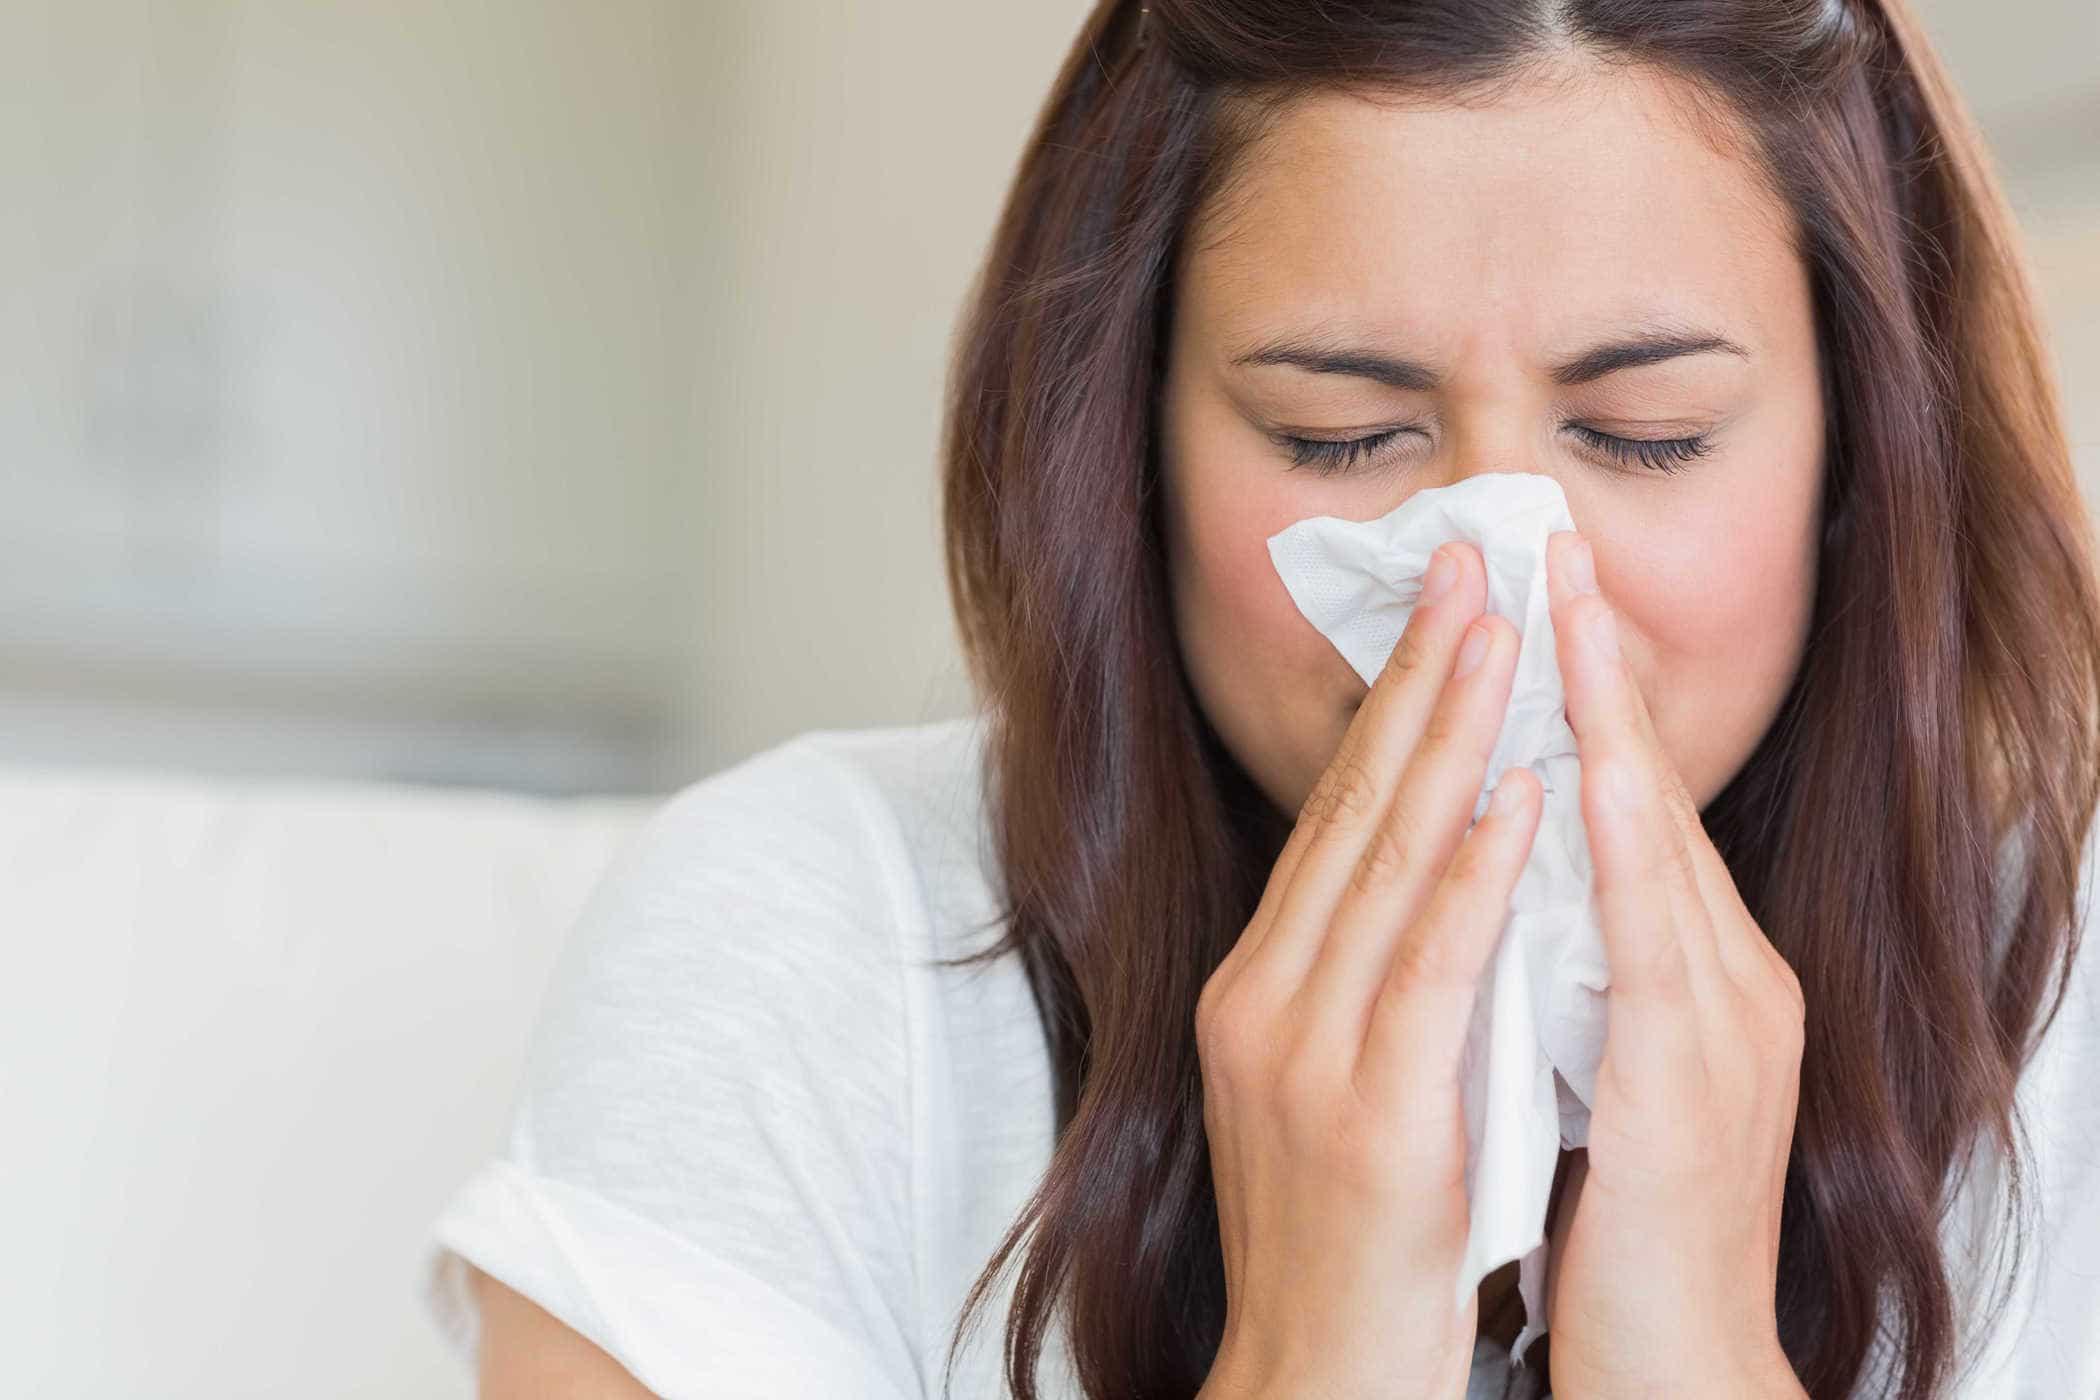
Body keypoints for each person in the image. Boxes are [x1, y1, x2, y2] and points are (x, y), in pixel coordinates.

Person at [418, 1, 2100, 1396]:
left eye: (1646, 434)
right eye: (1339, 438)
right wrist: (1314, 1356)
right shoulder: (806, 935)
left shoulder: (2070, 1010)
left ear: (1861, 460)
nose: (1491, 593)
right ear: (1125, 450)